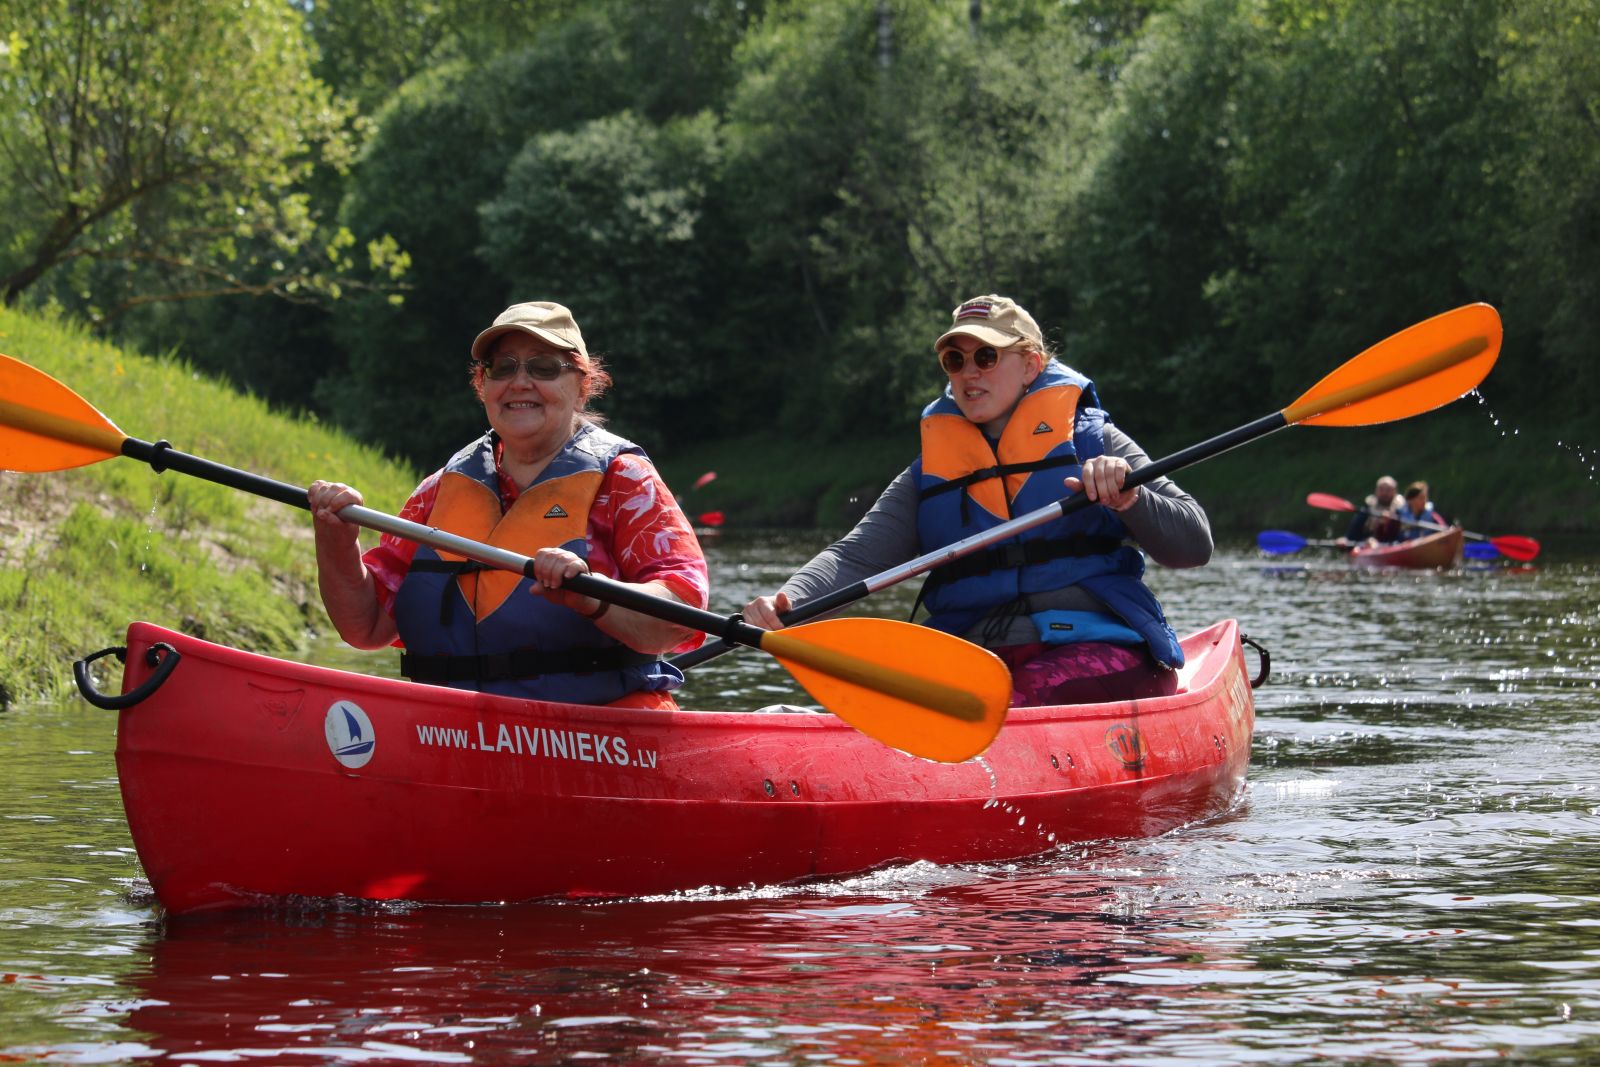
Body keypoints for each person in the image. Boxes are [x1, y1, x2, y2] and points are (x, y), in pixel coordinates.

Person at [742, 294, 1211, 707]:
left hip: (1096, 651)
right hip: (975, 660)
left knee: (1005, 701)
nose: (969, 374)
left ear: (1031, 364)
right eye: (955, 360)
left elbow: (1194, 543)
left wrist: (1132, 497)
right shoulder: (930, 472)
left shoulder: (1097, 443)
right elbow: (856, 555)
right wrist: (788, 599)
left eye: (986, 357)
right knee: (885, 700)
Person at [308, 301, 708, 709]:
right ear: (483, 384)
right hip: (447, 733)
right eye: (503, 368)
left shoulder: (624, 482)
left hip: (596, 736)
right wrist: (337, 542)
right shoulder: (440, 490)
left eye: (544, 367)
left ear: (583, 385)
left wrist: (594, 596)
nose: (520, 382)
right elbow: (365, 626)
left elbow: (680, 613)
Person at [1341, 475, 1402, 545]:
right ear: (1376, 491)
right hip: (1368, 544)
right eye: (1381, 489)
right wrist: (1346, 539)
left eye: (1388, 490)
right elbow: (1354, 530)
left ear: (1395, 491)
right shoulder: (1368, 508)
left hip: (1393, 543)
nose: (1384, 493)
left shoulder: (1401, 509)